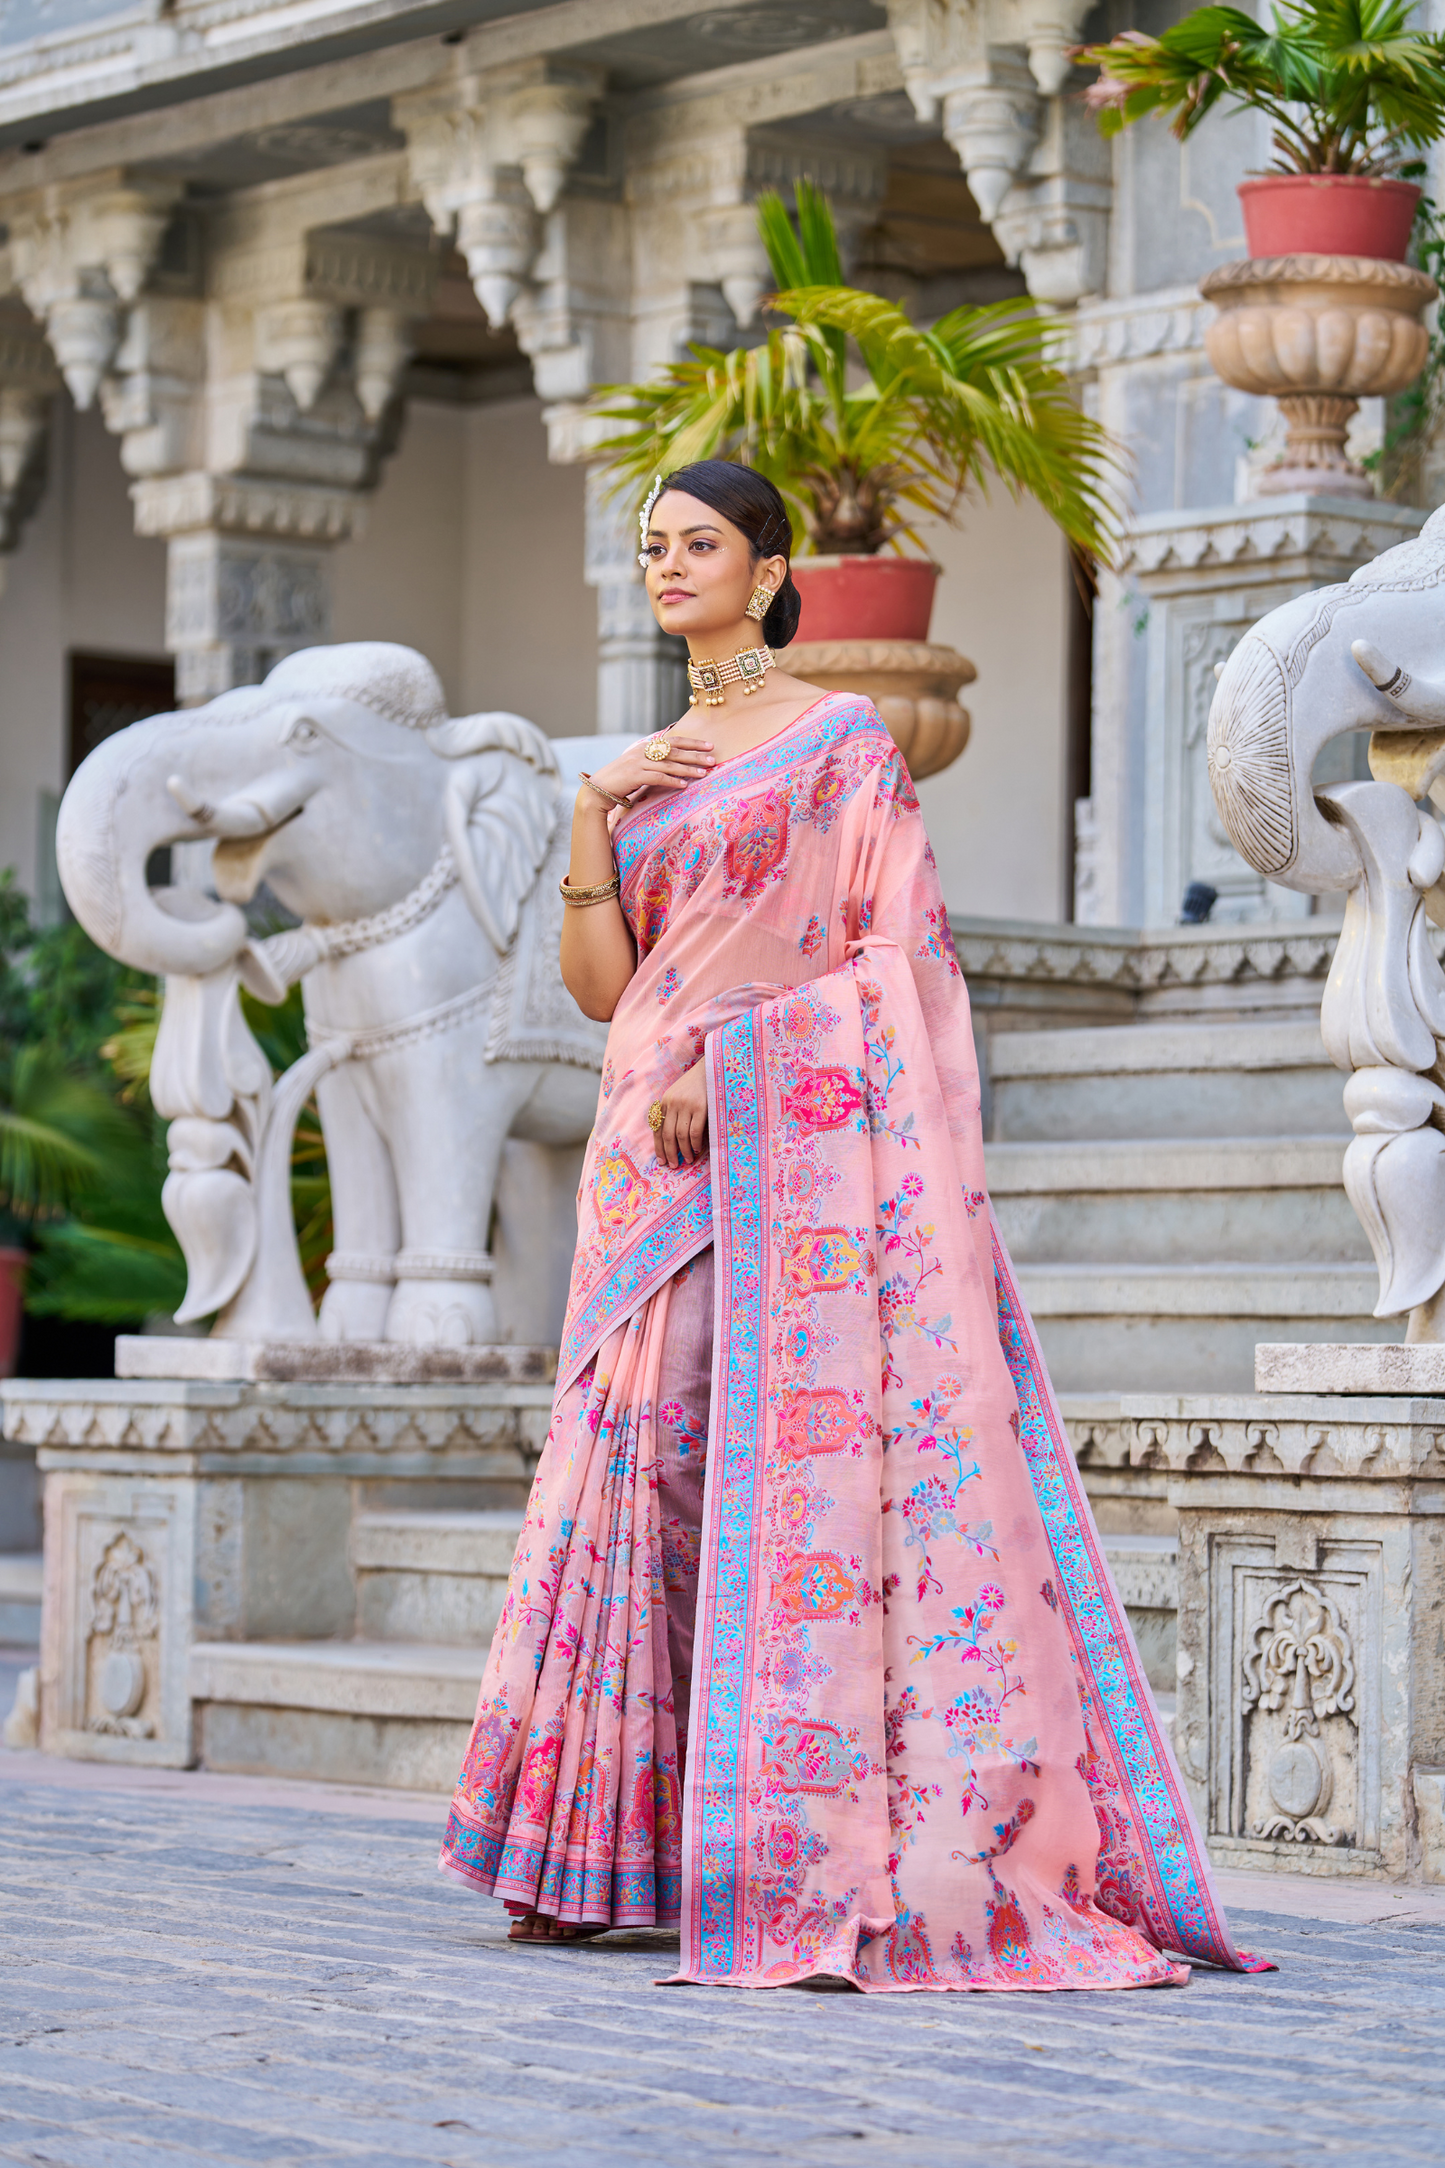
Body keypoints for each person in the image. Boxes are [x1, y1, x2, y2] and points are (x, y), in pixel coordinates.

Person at [439, 459, 1266, 1991]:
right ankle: (608, 1853)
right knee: (631, 1463)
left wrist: (737, 1067)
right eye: (653, 545)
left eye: (698, 544)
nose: (668, 565)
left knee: (714, 1453)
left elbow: (901, 960)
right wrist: (592, 816)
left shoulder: (839, 744)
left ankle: (773, 1843)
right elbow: (609, 990)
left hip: (767, 1141)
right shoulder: (644, 770)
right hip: (641, 1153)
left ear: (767, 574)